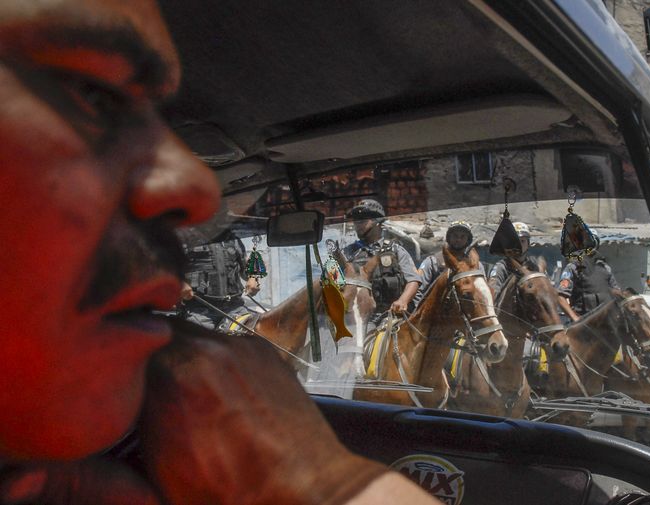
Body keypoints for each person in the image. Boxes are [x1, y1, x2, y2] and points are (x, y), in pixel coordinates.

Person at [0, 1, 437, 503]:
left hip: (262, 306)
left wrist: (255, 285)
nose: (201, 191)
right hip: (198, 309)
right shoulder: (235, 249)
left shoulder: (252, 246)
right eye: (90, 93)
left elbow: (260, 271)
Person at [343, 199, 422, 316]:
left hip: (391, 316)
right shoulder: (348, 253)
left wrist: (402, 301)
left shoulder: (395, 250)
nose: (357, 224)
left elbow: (413, 280)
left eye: (363, 219)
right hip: (357, 318)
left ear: (377, 220)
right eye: (356, 220)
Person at [179, 230, 250, 329]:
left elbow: (247, 266)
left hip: (235, 308)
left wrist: (254, 278)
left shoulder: (233, 239)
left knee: (255, 338)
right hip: (200, 311)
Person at [413, 220, 474, 306]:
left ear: (468, 240)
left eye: (463, 236)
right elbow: (417, 291)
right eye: (455, 236)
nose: (458, 239)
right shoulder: (433, 261)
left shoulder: (474, 265)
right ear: (449, 237)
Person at [557, 250, 621, 321]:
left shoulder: (605, 268)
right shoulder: (572, 268)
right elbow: (560, 297)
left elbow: (617, 293)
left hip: (608, 321)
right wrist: (575, 318)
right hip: (584, 322)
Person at [488, 221, 538, 304]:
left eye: (522, 241)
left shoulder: (534, 266)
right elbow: (493, 293)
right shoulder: (501, 267)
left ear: (528, 243)